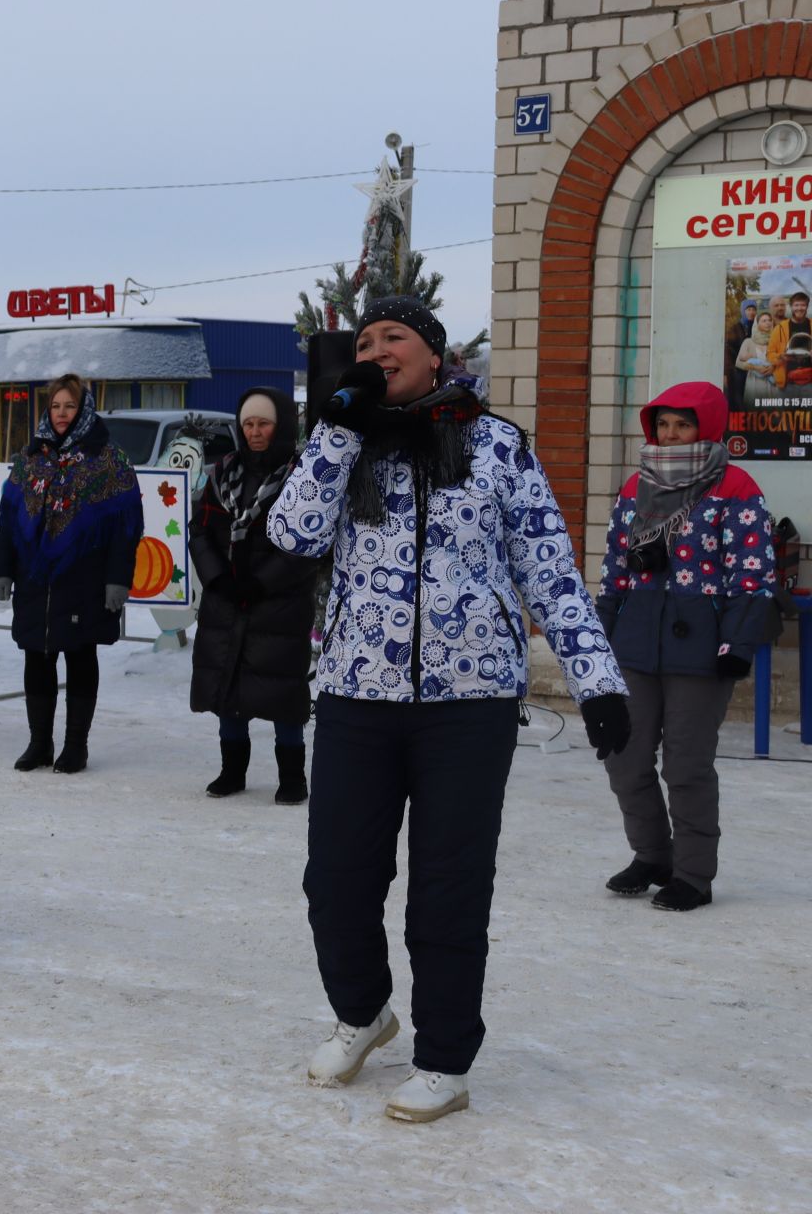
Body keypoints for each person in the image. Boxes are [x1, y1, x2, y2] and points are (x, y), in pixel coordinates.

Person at [267, 297, 630, 1123]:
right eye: (364, 341)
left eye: (394, 337)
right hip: (358, 691)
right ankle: (363, 1015)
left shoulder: (498, 445)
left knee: (449, 887)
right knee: (338, 881)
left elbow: (550, 573)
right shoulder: (347, 443)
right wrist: (335, 429)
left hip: (467, 705)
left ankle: (443, 1058)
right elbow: (290, 536)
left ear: (436, 354)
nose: (376, 349)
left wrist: (597, 679)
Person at [597, 383, 774, 912]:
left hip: (701, 647)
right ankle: (653, 855)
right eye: (664, 425)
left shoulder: (735, 486)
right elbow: (614, 566)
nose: (671, 435)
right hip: (635, 642)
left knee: (686, 764)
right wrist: (599, 634)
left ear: (707, 428)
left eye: (684, 425)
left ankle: (694, 875)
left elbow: (754, 572)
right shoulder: (636, 486)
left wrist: (738, 642)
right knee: (623, 756)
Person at [0, 373, 143, 774]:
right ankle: (39, 742)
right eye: (55, 406)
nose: (61, 414)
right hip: (35, 578)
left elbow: (127, 528)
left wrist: (118, 580)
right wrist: (1, 570)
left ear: (84, 410)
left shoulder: (109, 460)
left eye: (69, 406)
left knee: (79, 654)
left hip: (84, 578)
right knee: (36, 656)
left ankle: (76, 746)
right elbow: (8, 519)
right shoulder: (30, 458)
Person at [189, 387, 320, 803]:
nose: (255, 432)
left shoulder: (301, 476)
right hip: (226, 600)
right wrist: (217, 579)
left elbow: (307, 541)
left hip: (277, 603)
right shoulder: (222, 471)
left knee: (282, 694)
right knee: (228, 691)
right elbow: (200, 532)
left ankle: (292, 778)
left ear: (279, 425)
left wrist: (263, 583)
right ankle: (232, 772)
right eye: (248, 424)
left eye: (263, 423)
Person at [735, 310, 779, 408]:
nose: (767, 323)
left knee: (773, 414)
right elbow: (738, 363)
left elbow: (782, 360)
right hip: (754, 383)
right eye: (764, 321)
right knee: (754, 413)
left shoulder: (776, 341)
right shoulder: (748, 342)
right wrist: (755, 367)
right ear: (757, 324)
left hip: (772, 384)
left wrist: (773, 367)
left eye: (769, 320)